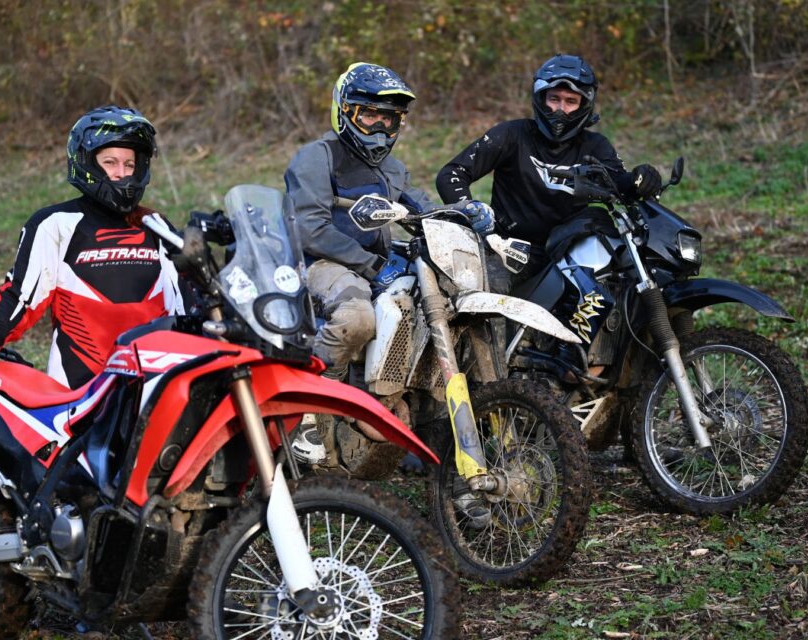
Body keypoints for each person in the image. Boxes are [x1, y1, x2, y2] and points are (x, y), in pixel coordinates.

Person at [283, 61, 494, 463]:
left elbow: (426, 210)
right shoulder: (317, 157)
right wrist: (371, 265)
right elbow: (309, 228)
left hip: (376, 262)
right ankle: (307, 411)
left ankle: (420, 420)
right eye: (370, 116)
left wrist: (465, 212)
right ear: (345, 112)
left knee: (440, 308)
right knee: (358, 317)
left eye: (389, 119)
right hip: (319, 263)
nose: (380, 127)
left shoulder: (392, 169)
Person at [435, 54, 663, 369]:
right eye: (553, 98)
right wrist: (470, 208)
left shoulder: (595, 147)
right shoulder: (512, 134)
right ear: (539, 97)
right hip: (508, 251)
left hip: (570, 254)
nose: (560, 108)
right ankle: (490, 384)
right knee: (488, 308)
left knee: (621, 287)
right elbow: (451, 174)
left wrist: (644, 177)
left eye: (571, 101)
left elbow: (622, 184)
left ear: (585, 104)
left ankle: (587, 369)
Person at [0, 105, 185, 389]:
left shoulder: (155, 224)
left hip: (156, 385)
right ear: (87, 162)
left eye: (129, 164)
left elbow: (186, 298)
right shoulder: (56, 224)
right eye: (110, 162)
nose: (122, 173)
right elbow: (21, 295)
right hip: (79, 396)